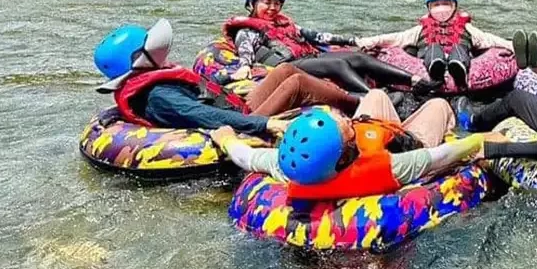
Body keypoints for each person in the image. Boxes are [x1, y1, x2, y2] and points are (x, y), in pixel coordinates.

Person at [211, 89, 500, 196]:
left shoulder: (289, 166)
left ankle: (393, 113)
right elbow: (443, 155)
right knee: (438, 104)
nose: (347, 119)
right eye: (346, 127)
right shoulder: (388, 168)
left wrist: (225, 138)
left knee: (375, 96)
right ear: (345, 154)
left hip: (378, 134)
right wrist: (478, 140)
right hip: (411, 143)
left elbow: (246, 157)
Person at [95, 19, 311, 137]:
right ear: (140, 59)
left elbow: (196, 91)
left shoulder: (152, 82)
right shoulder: (158, 96)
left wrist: (227, 80)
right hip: (246, 118)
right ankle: (346, 109)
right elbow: (204, 114)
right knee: (297, 83)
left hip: (238, 107)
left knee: (284, 70)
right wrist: (266, 125)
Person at [209, 0, 421, 94]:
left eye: (276, 3)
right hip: (288, 66)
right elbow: (245, 49)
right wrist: (244, 66)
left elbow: (318, 36)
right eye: (266, 2)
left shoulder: (284, 24)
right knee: (337, 64)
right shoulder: (248, 31)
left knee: (357, 58)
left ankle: (414, 80)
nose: (272, 8)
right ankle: (375, 97)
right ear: (252, 4)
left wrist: (351, 40)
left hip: (308, 58)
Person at [356, 0, 511, 92]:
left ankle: (459, 69)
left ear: (454, 6)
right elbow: (397, 38)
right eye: (436, 5)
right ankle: (435, 68)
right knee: (433, 49)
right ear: (429, 8)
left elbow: (490, 39)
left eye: (445, 4)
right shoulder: (419, 30)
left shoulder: (467, 28)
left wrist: (511, 46)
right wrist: (372, 41)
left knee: (459, 50)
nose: (441, 9)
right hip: (429, 63)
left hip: (459, 59)